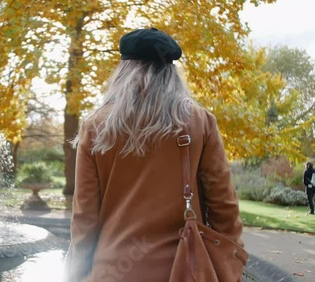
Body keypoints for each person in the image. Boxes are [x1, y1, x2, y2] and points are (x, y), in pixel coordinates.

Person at [63, 28, 244, 282]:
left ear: (124, 70)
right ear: (171, 72)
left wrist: (76, 274)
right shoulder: (199, 122)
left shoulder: (96, 126)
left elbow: (84, 219)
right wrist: (230, 265)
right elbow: (224, 208)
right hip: (183, 270)